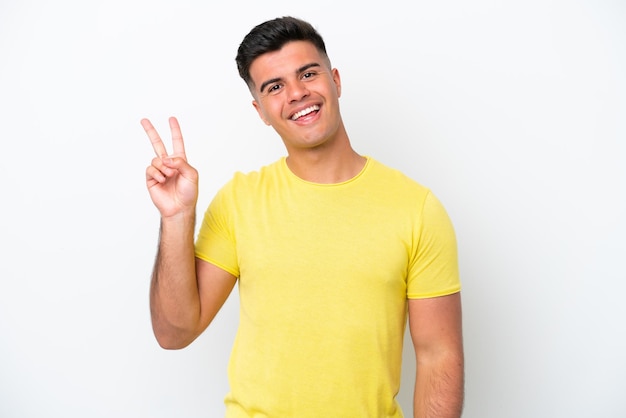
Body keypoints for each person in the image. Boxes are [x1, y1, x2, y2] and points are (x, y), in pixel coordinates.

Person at [141, 16, 464, 418]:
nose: (296, 93)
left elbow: (439, 356)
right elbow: (174, 333)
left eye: (307, 73)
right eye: (275, 87)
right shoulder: (239, 202)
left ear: (336, 81)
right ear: (260, 111)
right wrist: (176, 218)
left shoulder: (417, 209)